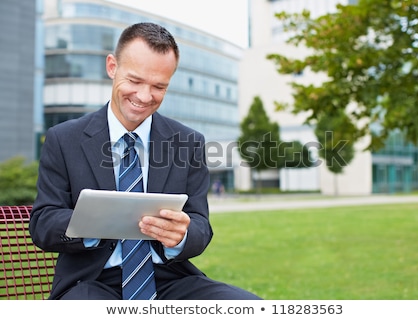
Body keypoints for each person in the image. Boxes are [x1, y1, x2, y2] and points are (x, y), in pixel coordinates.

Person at [29, 22, 261, 300]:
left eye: (158, 86)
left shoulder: (189, 142)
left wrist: (182, 235)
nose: (144, 96)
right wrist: (94, 223)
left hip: (170, 279)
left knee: (251, 307)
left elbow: (200, 223)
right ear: (112, 67)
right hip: (90, 282)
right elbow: (43, 223)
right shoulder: (64, 139)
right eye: (135, 81)